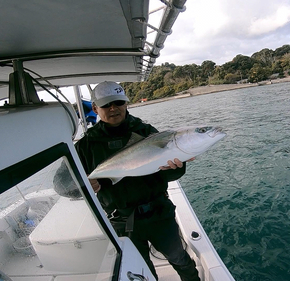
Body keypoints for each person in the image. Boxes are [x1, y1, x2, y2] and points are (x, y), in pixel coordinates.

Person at [74, 81, 200, 281]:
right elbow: (62, 184)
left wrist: (177, 167)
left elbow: (169, 174)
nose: (113, 108)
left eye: (118, 102)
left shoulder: (147, 132)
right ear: (96, 108)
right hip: (121, 221)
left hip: (159, 213)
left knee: (179, 258)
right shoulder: (85, 146)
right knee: (141, 271)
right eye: (107, 104)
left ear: (126, 104)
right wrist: (83, 185)